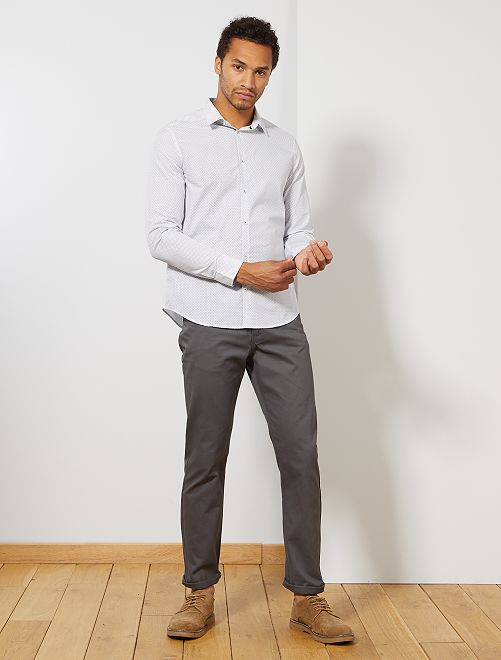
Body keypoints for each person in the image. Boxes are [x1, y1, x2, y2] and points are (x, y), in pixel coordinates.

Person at [144, 15, 355, 646]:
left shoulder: (283, 148)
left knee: (301, 458)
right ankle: (197, 592)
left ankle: (308, 598)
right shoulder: (178, 139)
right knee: (205, 459)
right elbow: (161, 236)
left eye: (261, 71)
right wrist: (239, 271)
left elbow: (296, 229)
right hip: (209, 319)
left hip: (279, 321)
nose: (249, 81)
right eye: (239, 66)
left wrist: (306, 253)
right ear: (218, 64)